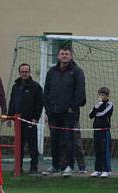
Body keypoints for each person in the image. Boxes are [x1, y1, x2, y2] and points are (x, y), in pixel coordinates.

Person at [42, 45, 86, 176]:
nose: (64, 56)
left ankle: (69, 166)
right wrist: (48, 109)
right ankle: (56, 165)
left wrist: (72, 107)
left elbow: (80, 92)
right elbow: (46, 91)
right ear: (58, 55)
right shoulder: (52, 72)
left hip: (69, 113)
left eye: (67, 54)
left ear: (71, 55)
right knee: (54, 140)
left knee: (69, 140)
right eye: (62, 53)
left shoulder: (77, 71)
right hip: (53, 112)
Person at [7, 63, 43, 174]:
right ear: (19, 73)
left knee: (32, 146)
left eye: (26, 71)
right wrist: (10, 117)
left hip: (30, 121)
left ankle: (33, 168)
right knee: (19, 146)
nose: (24, 73)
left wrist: (35, 118)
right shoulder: (15, 86)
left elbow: (39, 103)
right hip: (17, 121)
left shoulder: (36, 86)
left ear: (29, 72)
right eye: (22, 71)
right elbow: (12, 102)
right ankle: (19, 167)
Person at [88, 87, 113, 177]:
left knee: (104, 150)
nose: (101, 96)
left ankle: (106, 170)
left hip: (104, 130)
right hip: (96, 130)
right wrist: (96, 107)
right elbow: (90, 115)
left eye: (102, 95)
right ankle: (97, 169)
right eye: (100, 95)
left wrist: (97, 110)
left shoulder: (109, 104)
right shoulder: (97, 105)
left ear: (106, 96)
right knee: (97, 149)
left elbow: (103, 114)